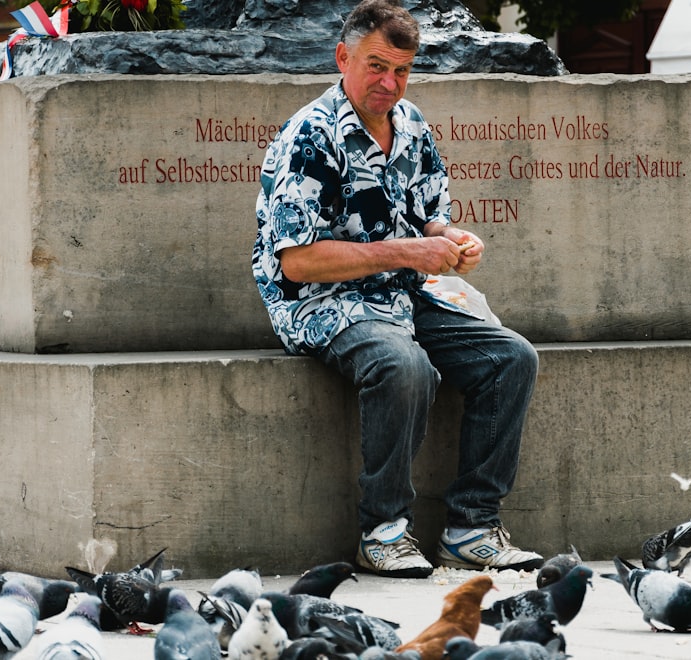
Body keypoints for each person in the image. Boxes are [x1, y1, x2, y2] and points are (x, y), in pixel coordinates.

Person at [252, 0, 542, 579]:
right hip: (319, 305)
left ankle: (471, 528)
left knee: (511, 358)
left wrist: (451, 238)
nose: (390, 83)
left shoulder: (412, 124)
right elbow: (298, 263)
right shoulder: (310, 135)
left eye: (402, 70)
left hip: (401, 295)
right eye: (377, 66)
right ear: (343, 57)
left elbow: (430, 214)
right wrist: (410, 251)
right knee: (404, 366)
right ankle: (383, 532)